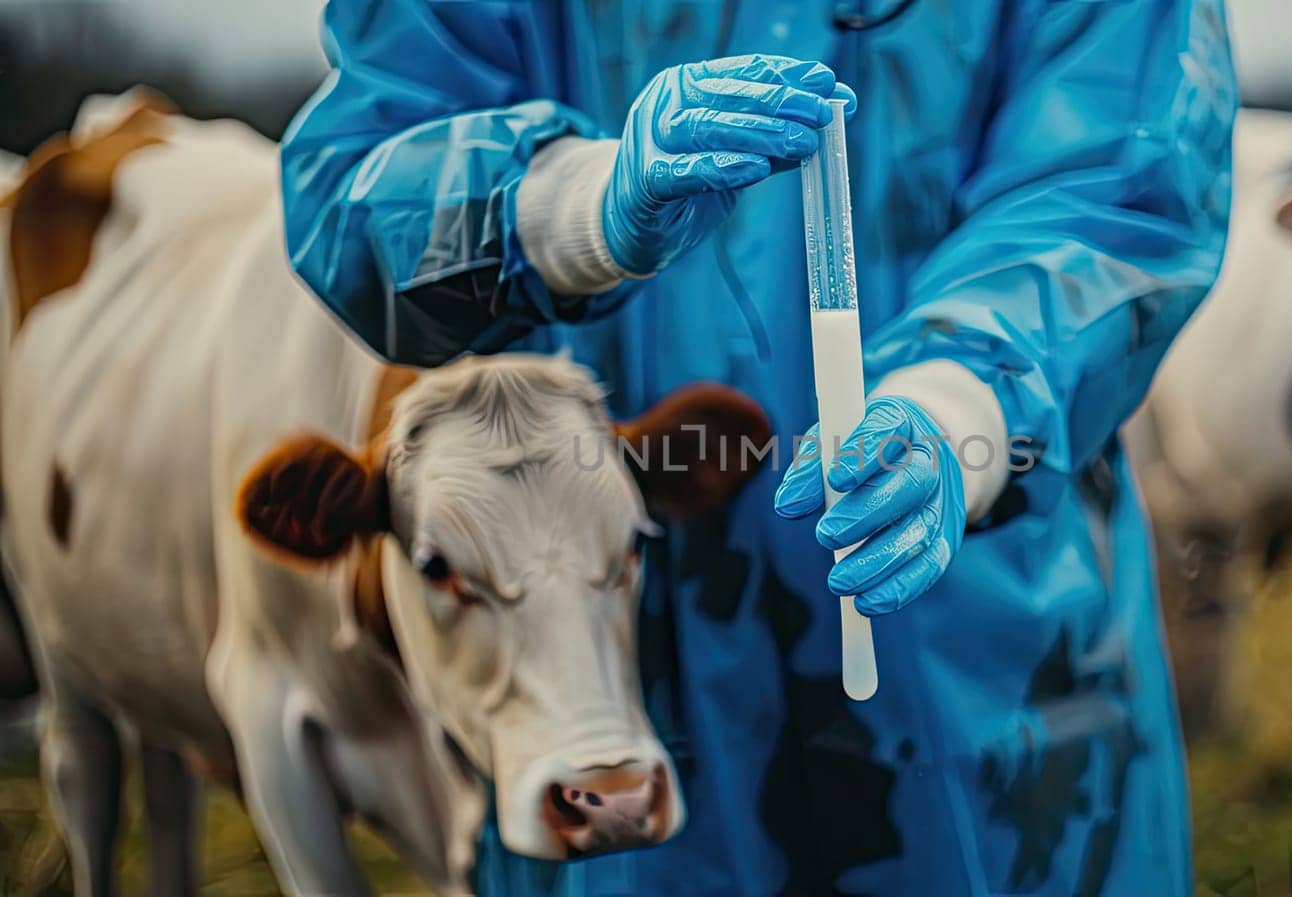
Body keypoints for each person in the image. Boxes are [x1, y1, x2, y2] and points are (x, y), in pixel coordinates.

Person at [280, 1, 1237, 894]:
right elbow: (355, 183)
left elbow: (1120, 178)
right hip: (613, 649)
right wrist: (571, 203)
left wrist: (962, 404)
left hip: (987, 664)